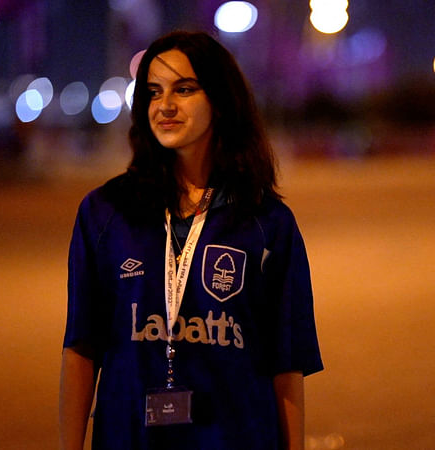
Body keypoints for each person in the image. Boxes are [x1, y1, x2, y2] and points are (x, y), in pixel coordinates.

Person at [59, 31, 323, 450]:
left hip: (237, 438)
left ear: (221, 99)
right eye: (153, 92)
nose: (165, 106)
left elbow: (286, 365)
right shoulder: (105, 212)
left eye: (184, 89)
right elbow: (81, 347)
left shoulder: (268, 223)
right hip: (130, 439)